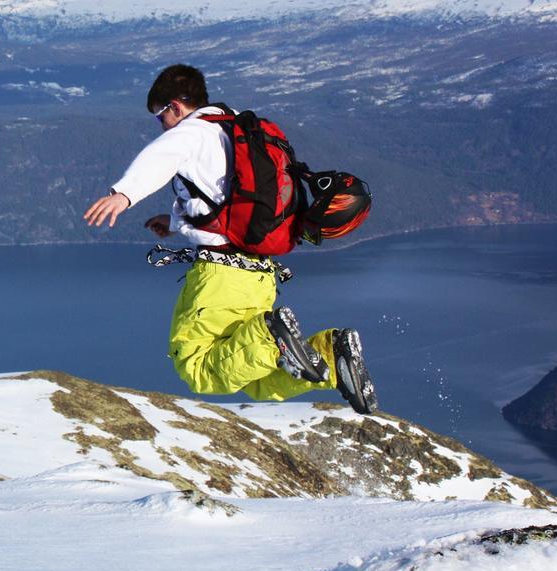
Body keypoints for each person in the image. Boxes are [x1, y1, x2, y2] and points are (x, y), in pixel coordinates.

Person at [83, 64, 376, 413]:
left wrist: (123, 194)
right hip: (259, 275)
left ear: (176, 106)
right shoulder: (238, 124)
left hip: (221, 277)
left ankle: (271, 334)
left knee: (198, 368)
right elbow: (229, 201)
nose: (159, 125)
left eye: (159, 116)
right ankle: (332, 350)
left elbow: (159, 158)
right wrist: (176, 223)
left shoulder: (191, 133)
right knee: (256, 376)